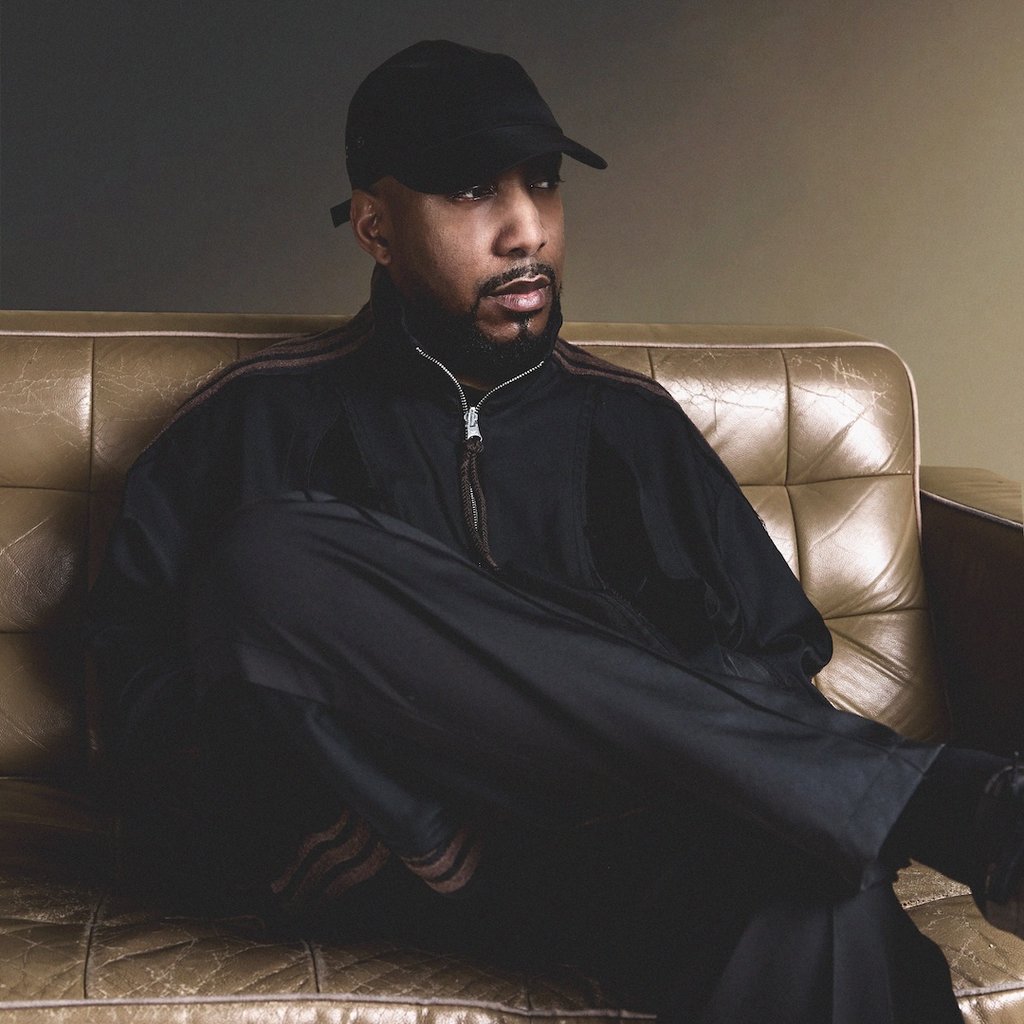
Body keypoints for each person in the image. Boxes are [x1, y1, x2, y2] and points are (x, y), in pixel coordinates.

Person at [86, 39, 1023, 1023]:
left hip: (629, 848)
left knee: (819, 896)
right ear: (375, 226)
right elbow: (143, 696)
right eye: (470, 192)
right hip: (385, 858)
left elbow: (774, 661)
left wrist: (623, 712)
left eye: (541, 182)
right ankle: (944, 802)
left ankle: (926, 808)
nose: (525, 229)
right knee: (269, 563)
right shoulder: (251, 422)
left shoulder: (634, 428)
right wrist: (363, 822)